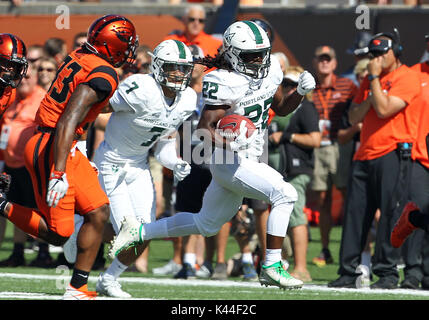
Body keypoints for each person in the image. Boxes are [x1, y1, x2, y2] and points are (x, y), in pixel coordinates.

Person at [109, 20, 316, 290]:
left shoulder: (271, 68)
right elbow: (204, 131)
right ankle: (272, 264)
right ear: (232, 53)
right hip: (228, 160)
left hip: (252, 157)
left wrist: (299, 93)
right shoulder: (222, 80)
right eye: (251, 55)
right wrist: (233, 142)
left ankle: (139, 231)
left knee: (206, 224)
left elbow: (282, 108)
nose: (259, 60)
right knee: (285, 193)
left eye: (263, 53)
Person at [0, 15, 138, 299]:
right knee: (58, 233)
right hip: (52, 144)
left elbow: (83, 109)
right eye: (125, 44)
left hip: (64, 143)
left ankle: (78, 288)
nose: (129, 50)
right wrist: (58, 172)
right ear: (114, 45)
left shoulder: (82, 55)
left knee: (98, 212)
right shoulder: (104, 73)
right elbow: (69, 118)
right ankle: (1, 203)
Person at [91, 39, 196, 297]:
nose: (179, 74)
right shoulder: (140, 87)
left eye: (184, 69)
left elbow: (163, 143)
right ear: (158, 66)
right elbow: (96, 107)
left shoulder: (187, 99)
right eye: (173, 67)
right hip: (111, 161)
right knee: (128, 229)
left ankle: (109, 279)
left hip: (139, 164)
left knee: (145, 230)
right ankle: (83, 224)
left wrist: (175, 162)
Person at [329, 29, 423, 289]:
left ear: (396, 53)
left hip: (393, 153)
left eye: (381, 53)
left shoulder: (408, 77)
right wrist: (372, 88)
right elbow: (354, 117)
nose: (376, 58)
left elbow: (383, 109)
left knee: (390, 216)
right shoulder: (371, 82)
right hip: (364, 155)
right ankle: (347, 272)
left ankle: (387, 273)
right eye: (373, 54)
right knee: (355, 218)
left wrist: (372, 80)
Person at [0, 63, 56, 268]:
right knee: (15, 208)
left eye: (28, 78)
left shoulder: (42, 99)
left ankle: (43, 252)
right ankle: (17, 253)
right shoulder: (13, 98)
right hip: (11, 164)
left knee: (37, 208)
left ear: (35, 79)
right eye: (21, 78)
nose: (23, 81)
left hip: (31, 164)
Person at [269, 66, 321, 283]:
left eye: (293, 84)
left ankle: (301, 268)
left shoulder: (306, 107)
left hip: (298, 168)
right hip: (283, 168)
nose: (289, 88)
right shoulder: (285, 108)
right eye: (286, 84)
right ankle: (284, 262)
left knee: (297, 215)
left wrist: (287, 137)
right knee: (284, 216)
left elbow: (315, 140)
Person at [310, 45, 358, 267]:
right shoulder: (310, 88)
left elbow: (358, 111)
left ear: (335, 63)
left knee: (348, 196)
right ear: (315, 62)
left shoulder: (347, 85)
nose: (325, 62)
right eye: (321, 59)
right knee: (322, 200)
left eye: (328, 59)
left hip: (341, 146)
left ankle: (352, 248)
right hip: (318, 145)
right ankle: (325, 248)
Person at [390, 33, 429, 289]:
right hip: (420, 153)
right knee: (420, 204)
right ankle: (414, 272)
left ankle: (413, 221)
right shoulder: (414, 74)